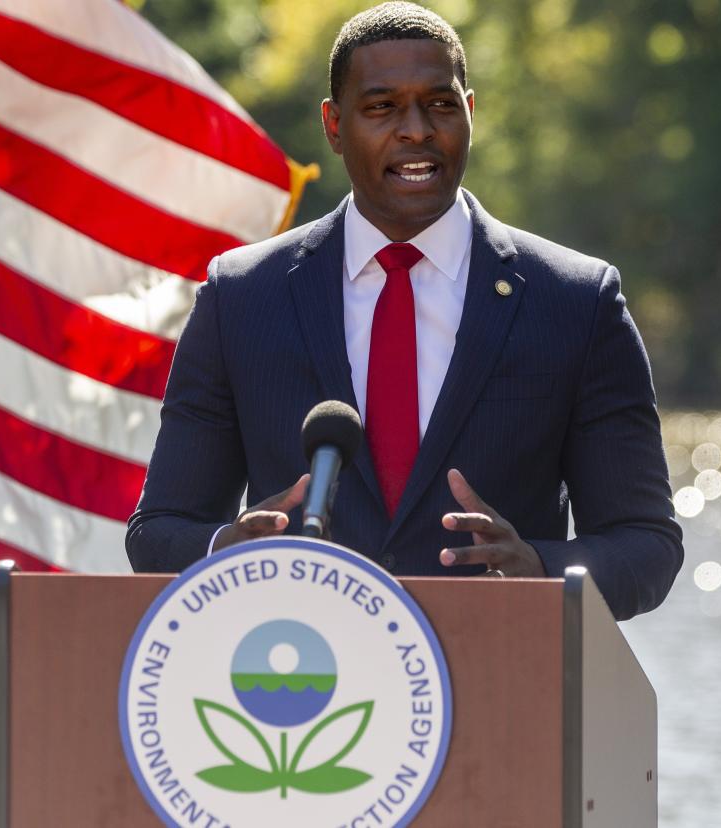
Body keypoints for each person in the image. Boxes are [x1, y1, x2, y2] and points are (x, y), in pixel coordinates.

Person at [126, 2, 682, 621]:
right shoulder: (241, 298)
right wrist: (227, 551)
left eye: (440, 104)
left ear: (469, 114)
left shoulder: (577, 303)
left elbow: (646, 544)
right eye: (381, 106)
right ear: (334, 126)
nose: (416, 129)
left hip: (503, 685)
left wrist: (542, 570)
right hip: (301, 685)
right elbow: (159, 528)